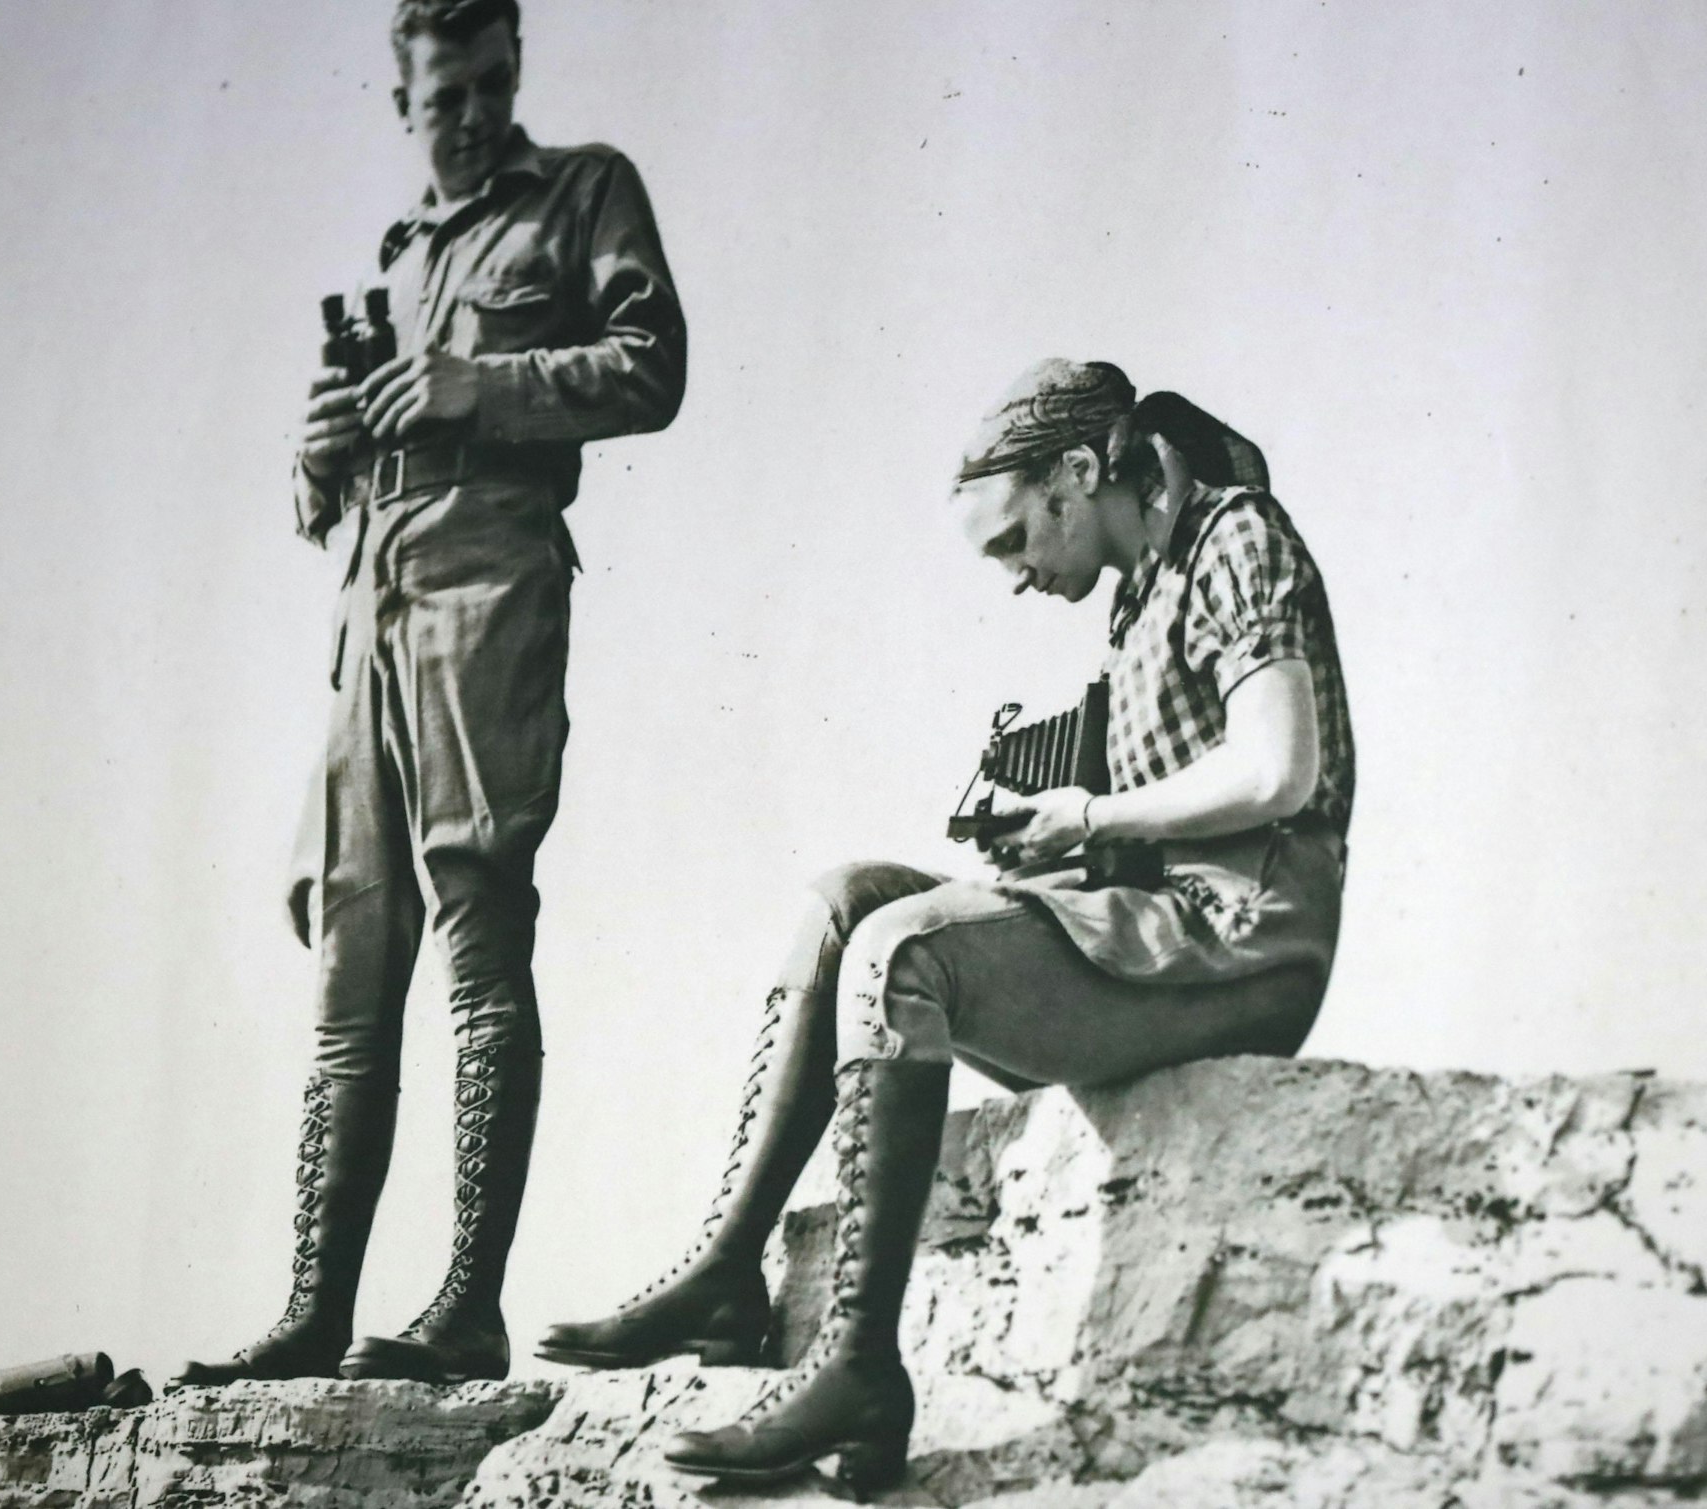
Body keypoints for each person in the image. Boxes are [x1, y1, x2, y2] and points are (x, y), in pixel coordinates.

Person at [536, 358, 1353, 1493]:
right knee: (846, 903)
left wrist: (1090, 812)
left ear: (1080, 472)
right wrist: (1057, 831)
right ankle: (725, 1270)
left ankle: (859, 1366)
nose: (1017, 576)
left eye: (1018, 540)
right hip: (1158, 923)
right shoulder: (1135, 593)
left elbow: (1279, 768)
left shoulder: (1235, 536)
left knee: (906, 948)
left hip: (1244, 945)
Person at [173, 0, 685, 1388]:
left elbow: (652, 368)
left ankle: (467, 1303)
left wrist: (477, 384)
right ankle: (312, 1307)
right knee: (351, 964)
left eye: (489, 86)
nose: (468, 116)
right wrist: (316, 454)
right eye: (442, 95)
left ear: (514, 75)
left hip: (490, 578)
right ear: (398, 99)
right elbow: (317, 504)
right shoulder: (394, 258)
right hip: (369, 604)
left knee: (478, 931)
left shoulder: (583, 193)